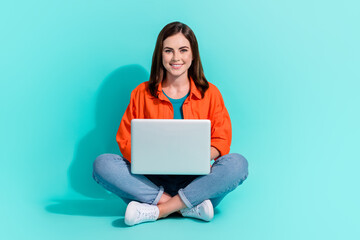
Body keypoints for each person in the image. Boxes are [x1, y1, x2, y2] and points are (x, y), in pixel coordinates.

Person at [92, 21, 248, 226]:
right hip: (149, 181)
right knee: (102, 164)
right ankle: (185, 207)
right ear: (160, 55)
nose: (176, 58)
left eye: (183, 50)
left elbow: (222, 140)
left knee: (238, 164)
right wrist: (153, 158)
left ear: (193, 55)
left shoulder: (210, 93)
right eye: (168, 51)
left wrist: (195, 157)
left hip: (197, 180)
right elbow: (124, 139)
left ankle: (157, 210)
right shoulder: (141, 93)